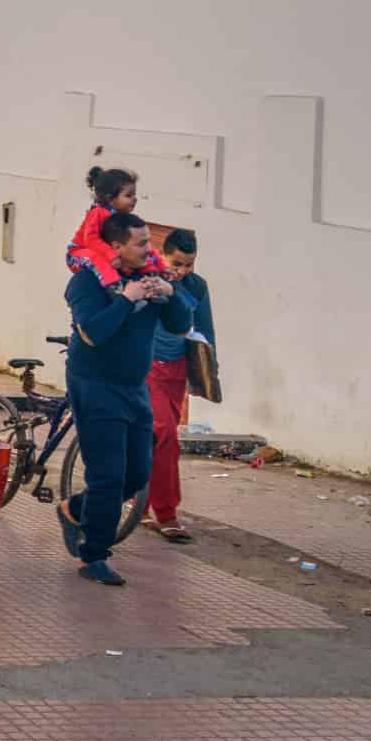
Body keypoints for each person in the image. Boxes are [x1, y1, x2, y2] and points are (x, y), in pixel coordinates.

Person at [56, 211, 189, 586]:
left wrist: (171, 294)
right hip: (95, 385)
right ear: (116, 246)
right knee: (108, 476)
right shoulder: (87, 282)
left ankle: (74, 509)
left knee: (136, 474)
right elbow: (93, 333)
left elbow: (181, 326)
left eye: (149, 242)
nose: (150, 249)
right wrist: (126, 300)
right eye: (142, 243)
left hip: (134, 388)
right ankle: (93, 555)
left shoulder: (150, 276)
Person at [146, 228, 217, 543]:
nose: (183, 270)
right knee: (165, 436)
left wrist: (205, 374)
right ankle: (166, 513)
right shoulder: (147, 279)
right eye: (177, 262)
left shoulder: (196, 287)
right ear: (163, 254)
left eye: (189, 264)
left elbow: (204, 331)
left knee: (158, 438)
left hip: (177, 372)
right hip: (145, 368)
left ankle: (140, 500)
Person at [68, 165, 167, 286]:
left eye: (134, 194)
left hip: (105, 253)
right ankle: (114, 289)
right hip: (79, 253)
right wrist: (111, 255)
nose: (135, 199)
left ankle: (153, 280)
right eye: (128, 195)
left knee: (140, 253)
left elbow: (146, 246)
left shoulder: (122, 217)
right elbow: (90, 239)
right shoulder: (97, 213)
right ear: (110, 198)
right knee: (99, 260)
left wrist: (162, 266)